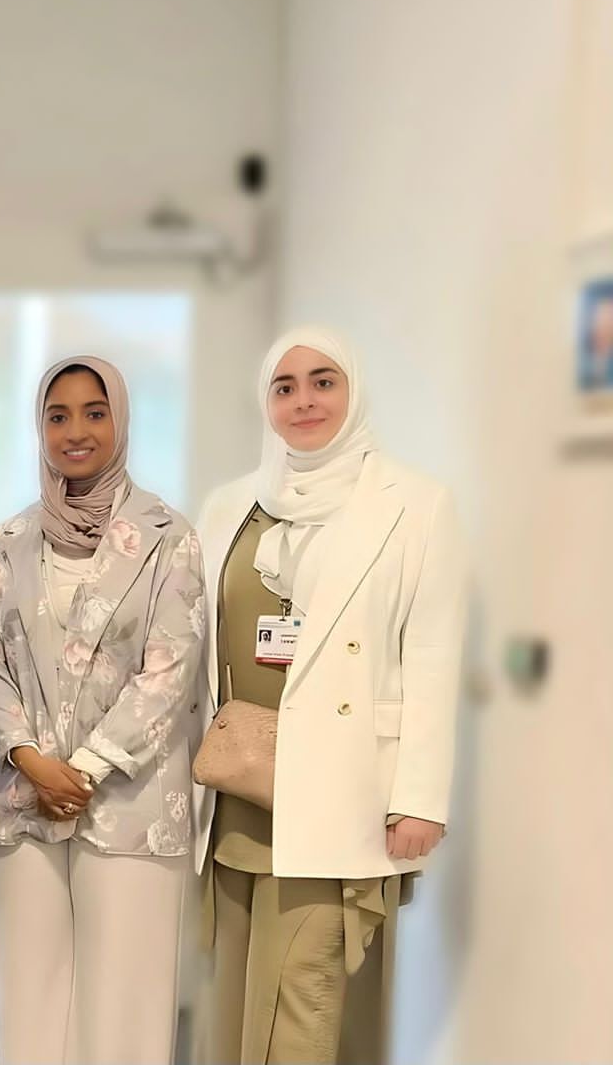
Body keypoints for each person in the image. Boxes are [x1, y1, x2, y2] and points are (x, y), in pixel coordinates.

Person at [193, 328, 466, 1064]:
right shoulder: (231, 505)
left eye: (323, 381)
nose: (304, 401)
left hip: (342, 785)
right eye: (284, 387)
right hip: (238, 788)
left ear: (354, 391)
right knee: (233, 999)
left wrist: (420, 799)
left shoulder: (416, 505)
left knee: (302, 1002)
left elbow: (432, 656)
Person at [0, 356, 205, 1064]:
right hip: (25, 797)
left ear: (120, 421)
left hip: (131, 801)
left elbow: (171, 668)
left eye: (94, 413)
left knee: (125, 1006)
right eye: (58, 415)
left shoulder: (169, 536)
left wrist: (86, 768)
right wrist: (31, 761)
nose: (75, 431)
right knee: (31, 1000)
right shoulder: (9, 541)